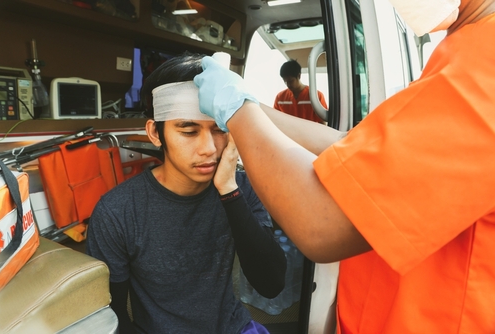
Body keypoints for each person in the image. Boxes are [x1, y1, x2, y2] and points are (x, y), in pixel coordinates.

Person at [193, 0, 495, 333]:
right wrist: (250, 106)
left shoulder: (486, 64)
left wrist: (237, 112)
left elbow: (322, 223)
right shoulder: (462, 50)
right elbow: (353, 145)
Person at [86, 53, 286, 334]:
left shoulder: (239, 187)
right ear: (156, 133)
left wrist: (228, 190)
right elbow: (112, 313)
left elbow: (271, 284)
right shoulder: (118, 212)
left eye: (218, 130)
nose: (208, 148)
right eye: (189, 131)